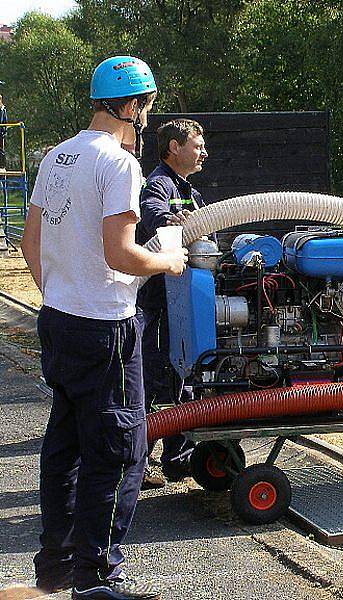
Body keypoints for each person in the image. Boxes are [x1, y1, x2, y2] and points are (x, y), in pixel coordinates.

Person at [20, 55, 186, 600]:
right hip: (106, 328)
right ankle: (98, 579)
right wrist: (167, 261)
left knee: (64, 445)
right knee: (118, 451)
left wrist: (61, 294)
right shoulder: (119, 163)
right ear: (135, 106)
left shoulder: (58, 156)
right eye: (147, 106)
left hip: (59, 320)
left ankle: (58, 566)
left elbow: (30, 244)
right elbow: (121, 256)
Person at [136, 119, 208, 488]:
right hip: (158, 301)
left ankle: (177, 458)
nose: (204, 152)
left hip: (182, 298)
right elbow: (151, 214)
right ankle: (140, 461)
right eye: (197, 145)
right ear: (174, 148)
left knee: (186, 375)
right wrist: (170, 221)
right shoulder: (160, 184)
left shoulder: (188, 190)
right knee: (153, 378)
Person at [0, 95, 7, 170]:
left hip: (0, 133)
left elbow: (3, 121)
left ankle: (2, 166)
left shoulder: (2, 109)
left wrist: (4, 132)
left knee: (1, 150)